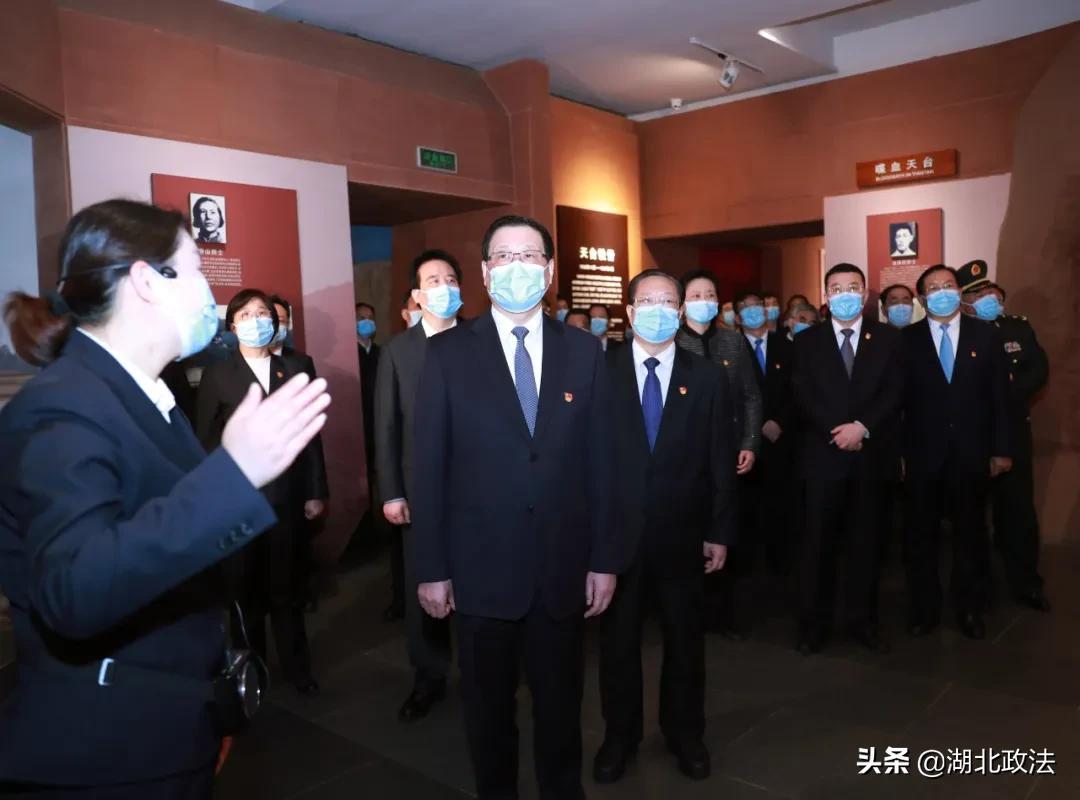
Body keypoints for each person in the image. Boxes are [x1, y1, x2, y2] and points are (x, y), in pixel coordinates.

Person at [0, 199, 329, 795]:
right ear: (148, 281)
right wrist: (234, 475)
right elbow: (74, 590)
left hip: (167, 726)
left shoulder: (142, 393)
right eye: (198, 268)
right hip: (107, 759)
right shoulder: (62, 406)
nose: (208, 291)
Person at [412, 214, 621, 800]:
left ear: (550, 272)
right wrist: (432, 567)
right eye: (504, 257)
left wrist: (604, 559)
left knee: (561, 712)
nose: (517, 267)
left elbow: (603, 464)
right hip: (479, 573)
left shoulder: (585, 352)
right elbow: (428, 468)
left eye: (529, 256)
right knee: (487, 716)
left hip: (562, 569)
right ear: (484, 273)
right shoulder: (447, 353)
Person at [595, 270, 734, 784]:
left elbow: (720, 460)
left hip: (684, 534)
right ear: (630, 312)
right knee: (617, 645)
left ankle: (685, 734)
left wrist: (719, 530)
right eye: (647, 301)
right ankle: (619, 736)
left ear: (679, 312)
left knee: (685, 642)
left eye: (668, 302)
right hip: (616, 537)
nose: (658, 310)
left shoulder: (707, 376)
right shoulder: (599, 370)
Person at [197, 288, 326, 695]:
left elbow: (311, 438)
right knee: (244, 594)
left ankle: (299, 671)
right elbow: (206, 441)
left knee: (288, 590)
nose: (257, 320)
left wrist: (315, 491)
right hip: (240, 501)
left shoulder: (296, 366)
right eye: (246, 315)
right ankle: (252, 674)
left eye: (263, 313)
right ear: (232, 326)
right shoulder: (218, 374)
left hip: (288, 497)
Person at [791, 264, 902, 655]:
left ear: (865, 293)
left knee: (866, 546)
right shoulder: (807, 341)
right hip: (823, 458)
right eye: (836, 288)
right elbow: (802, 394)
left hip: (871, 458)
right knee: (817, 547)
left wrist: (863, 427)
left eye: (852, 287)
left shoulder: (888, 338)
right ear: (825, 295)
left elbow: (895, 391)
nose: (845, 294)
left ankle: (863, 622)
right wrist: (836, 431)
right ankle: (813, 626)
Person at [901, 264, 1012, 640]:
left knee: (971, 534)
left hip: (972, 452)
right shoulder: (906, 339)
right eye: (933, 288)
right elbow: (898, 402)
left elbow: (1001, 399)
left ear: (959, 291)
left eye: (948, 285)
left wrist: (1001, 449)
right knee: (920, 536)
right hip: (922, 455)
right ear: (922, 298)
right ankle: (924, 609)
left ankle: (969, 608)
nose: (942, 291)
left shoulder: (986, 335)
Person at [374, 250, 461, 724]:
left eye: (450, 279)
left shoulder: (478, 342)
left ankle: (485, 672)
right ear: (416, 295)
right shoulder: (397, 351)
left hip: (478, 491)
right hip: (419, 491)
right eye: (433, 280)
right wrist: (392, 491)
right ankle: (428, 677)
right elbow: (386, 425)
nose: (444, 287)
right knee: (424, 587)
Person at [957, 260, 1050, 611]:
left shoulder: (1017, 328)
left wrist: (1004, 393)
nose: (987, 296)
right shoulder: (958, 333)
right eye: (977, 293)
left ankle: (1026, 583)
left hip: (1012, 433)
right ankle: (979, 588)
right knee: (971, 516)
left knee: (1018, 512)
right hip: (972, 436)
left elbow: (1037, 371)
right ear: (964, 301)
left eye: (989, 289)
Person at [711, 291, 795, 637]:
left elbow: (798, 388)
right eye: (744, 308)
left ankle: (779, 569)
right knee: (743, 513)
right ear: (736, 315)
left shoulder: (787, 346)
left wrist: (779, 421)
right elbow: (739, 396)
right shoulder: (728, 346)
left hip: (781, 443)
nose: (753, 312)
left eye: (757, 306)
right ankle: (743, 570)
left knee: (780, 511)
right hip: (743, 445)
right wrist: (753, 428)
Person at [269, 295, 329, 611]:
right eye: (272, 318)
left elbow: (312, 433)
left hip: (297, 475)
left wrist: (316, 490)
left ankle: (301, 597)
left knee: (297, 546)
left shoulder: (301, 362)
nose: (277, 325)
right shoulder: (236, 368)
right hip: (261, 479)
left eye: (283, 319)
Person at [674, 269, 761, 477]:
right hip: (682, 447)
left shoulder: (734, 340)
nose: (704, 301)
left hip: (729, 443)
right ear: (682, 304)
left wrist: (750, 442)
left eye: (710, 295)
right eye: (696, 296)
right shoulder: (672, 341)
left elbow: (751, 396)